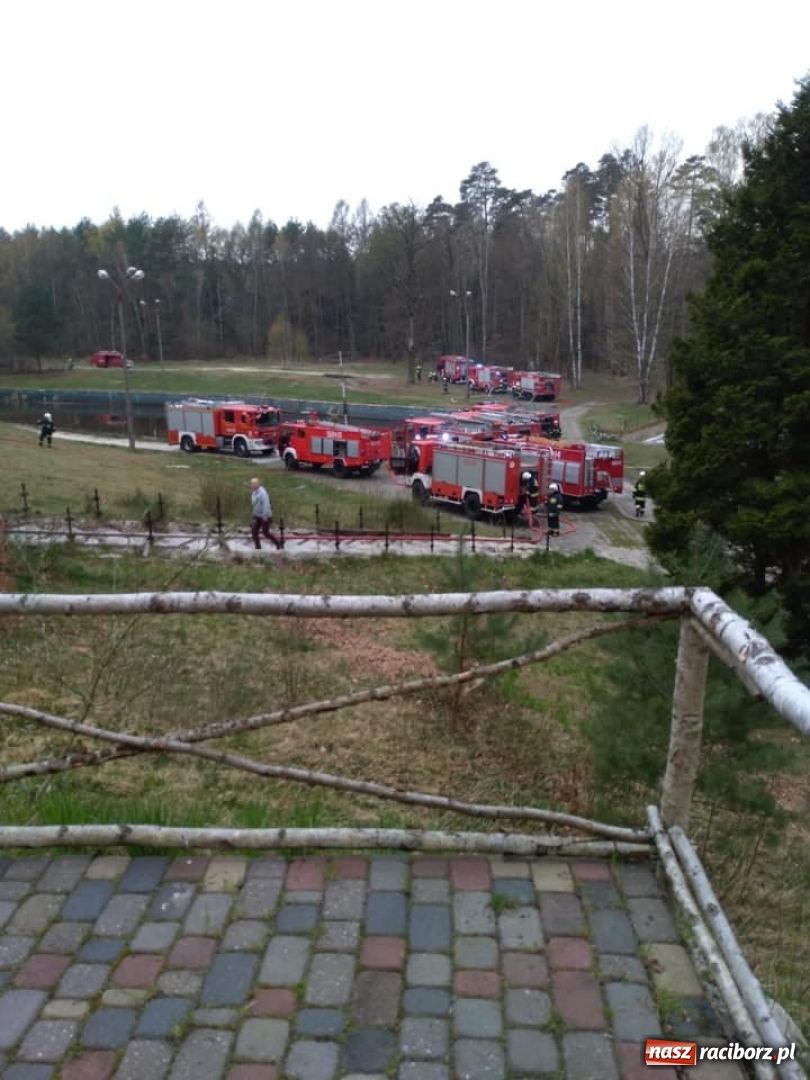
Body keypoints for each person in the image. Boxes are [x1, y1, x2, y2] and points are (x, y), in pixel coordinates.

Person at [250, 477, 282, 550]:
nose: (252, 485)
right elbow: (254, 504)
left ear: (258, 484)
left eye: (253, 484)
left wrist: (265, 516)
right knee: (254, 532)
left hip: (265, 517)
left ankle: (278, 544)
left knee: (265, 533)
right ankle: (258, 548)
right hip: (257, 516)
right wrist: (254, 514)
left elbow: (266, 505)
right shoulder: (254, 492)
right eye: (251, 484)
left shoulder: (263, 494)